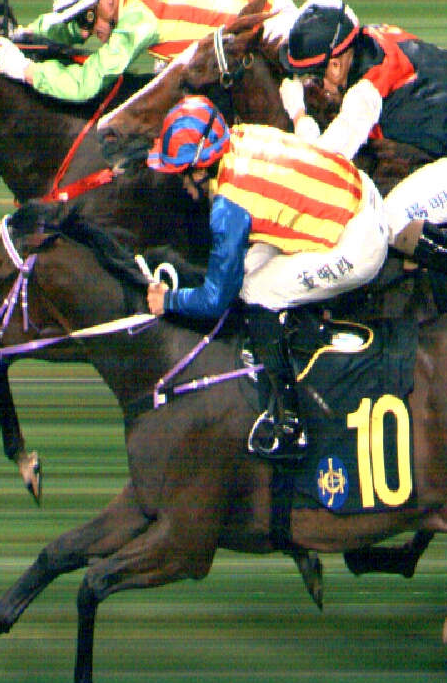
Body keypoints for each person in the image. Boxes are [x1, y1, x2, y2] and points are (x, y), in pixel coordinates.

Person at [141, 95, 389, 458]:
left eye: (180, 173)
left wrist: (169, 300)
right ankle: (294, 330)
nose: (181, 183)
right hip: (363, 193)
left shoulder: (228, 209)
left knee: (254, 290)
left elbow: (215, 299)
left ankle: (292, 425)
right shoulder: (241, 134)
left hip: (360, 245)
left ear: (199, 169)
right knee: (250, 266)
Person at [280, 0, 447, 307]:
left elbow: (322, 166)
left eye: (313, 75)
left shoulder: (364, 94)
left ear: (336, 66)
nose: (314, 84)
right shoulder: (372, 35)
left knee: (389, 218)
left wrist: (298, 114)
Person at [0, 0, 309, 126]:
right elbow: (73, 26)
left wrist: (24, 70)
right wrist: (25, 34)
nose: (87, 32)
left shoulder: (139, 16)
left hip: (273, 34)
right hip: (252, 21)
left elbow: (86, 84)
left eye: (87, 19)